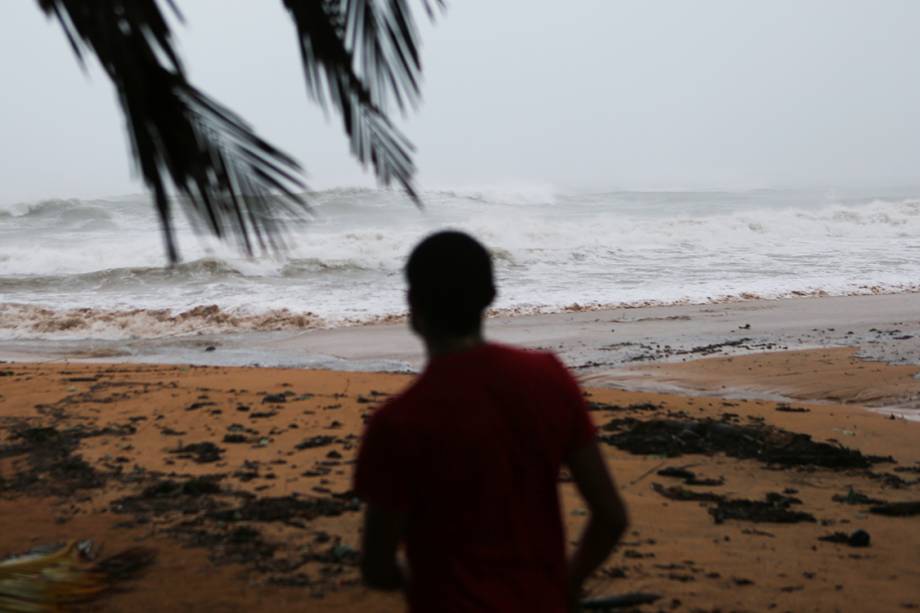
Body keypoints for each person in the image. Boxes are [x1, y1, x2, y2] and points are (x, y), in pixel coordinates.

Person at [354, 231, 628, 612]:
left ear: (412, 303)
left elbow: (377, 567)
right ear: (490, 297)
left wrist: (420, 578)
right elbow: (611, 517)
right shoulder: (549, 378)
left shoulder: (398, 422)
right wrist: (568, 582)